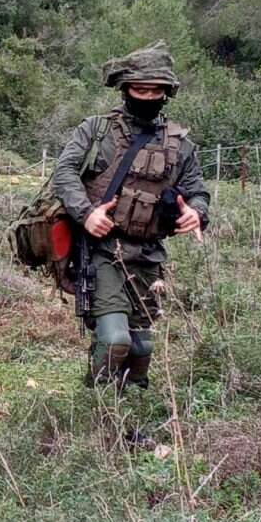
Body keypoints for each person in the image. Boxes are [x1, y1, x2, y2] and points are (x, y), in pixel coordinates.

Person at [52, 41, 209, 390]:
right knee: (114, 340)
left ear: (167, 93)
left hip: (149, 257)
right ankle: (98, 408)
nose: (148, 97)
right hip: (102, 250)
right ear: (125, 89)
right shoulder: (96, 130)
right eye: (140, 89)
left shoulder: (180, 144)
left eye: (156, 91)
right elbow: (63, 175)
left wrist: (196, 213)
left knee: (142, 348)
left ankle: (130, 416)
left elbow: (198, 191)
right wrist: (87, 213)